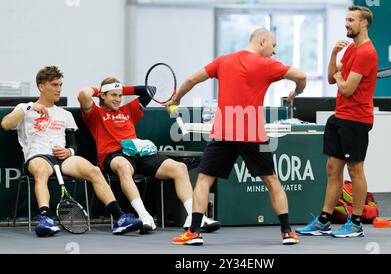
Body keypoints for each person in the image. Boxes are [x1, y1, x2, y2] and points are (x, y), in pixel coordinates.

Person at [168, 28, 307, 245]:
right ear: (262, 41)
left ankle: (194, 233)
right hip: (253, 134)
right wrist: (297, 91)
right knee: (272, 180)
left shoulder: (224, 61)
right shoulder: (267, 65)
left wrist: (175, 99)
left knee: (204, 180)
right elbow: (302, 76)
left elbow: (191, 79)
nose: (274, 52)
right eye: (274, 46)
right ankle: (287, 232)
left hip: (223, 133)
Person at [0, 66, 143, 237]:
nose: (59, 89)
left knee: (95, 171)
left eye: (60, 84)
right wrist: (30, 107)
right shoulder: (25, 107)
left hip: (63, 159)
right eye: (54, 85)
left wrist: (69, 151)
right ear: (41, 86)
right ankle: (45, 218)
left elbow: (73, 145)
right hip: (37, 157)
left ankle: (120, 219)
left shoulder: (65, 114)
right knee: (41, 170)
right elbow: (5, 124)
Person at [77, 78, 221, 234]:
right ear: (102, 96)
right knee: (123, 166)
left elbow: (150, 90)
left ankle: (194, 217)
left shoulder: (128, 110)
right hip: (114, 155)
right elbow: (84, 94)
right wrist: (102, 90)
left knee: (180, 168)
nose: (118, 99)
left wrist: (119, 89)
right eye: (113, 95)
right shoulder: (95, 114)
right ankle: (144, 216)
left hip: (141, 153)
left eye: (120, 95)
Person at [296, 5, 378, 238]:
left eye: (351, 20)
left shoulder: (367, 52)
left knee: (355, 170)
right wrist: (333, 55)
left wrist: (341, 74)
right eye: (346, 19)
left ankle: (356, 223)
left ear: (364, 23)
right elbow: (334, 80)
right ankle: (324, 220)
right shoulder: (351, 49)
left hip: (356, 120)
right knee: (333, 170)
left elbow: (348, 88)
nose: (347, 23)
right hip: (340, 117)